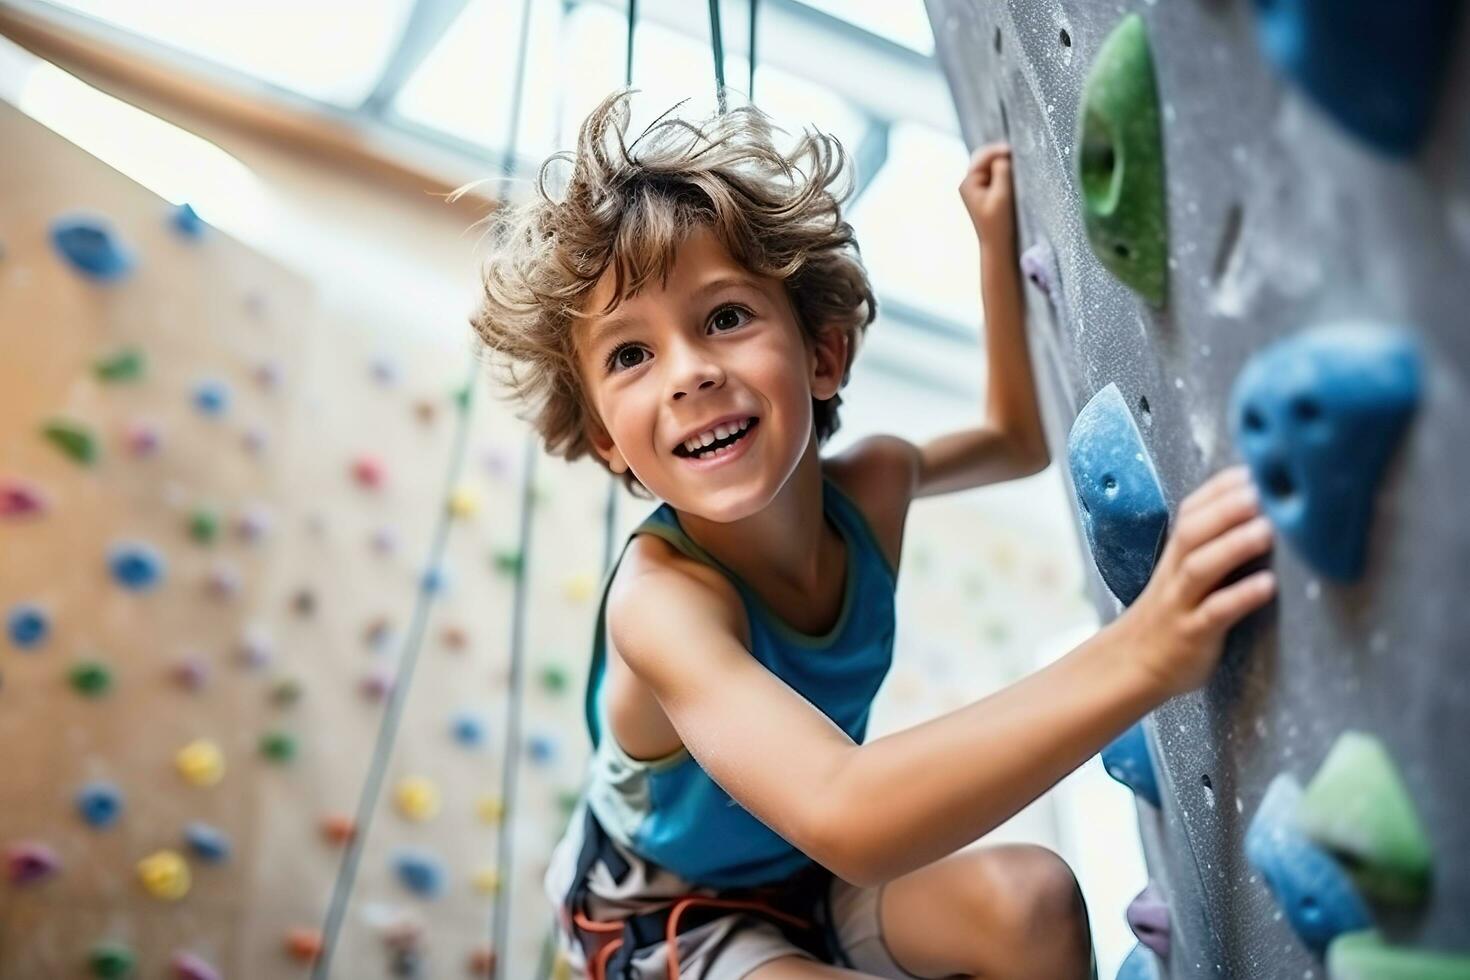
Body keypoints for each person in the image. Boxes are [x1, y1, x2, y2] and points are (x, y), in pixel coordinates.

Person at [469, 89, 1275, 980]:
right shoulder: (662, 603)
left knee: (1031, 902)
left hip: (802, 874)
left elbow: (1017, 442)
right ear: (607, 441)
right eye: (631, 354)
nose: (690, 373)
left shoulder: (877, 484)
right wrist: (1147, 652)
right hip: (660, 910)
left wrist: (991, 251)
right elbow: (845, 814)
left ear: (822, 355)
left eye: (725, 317)